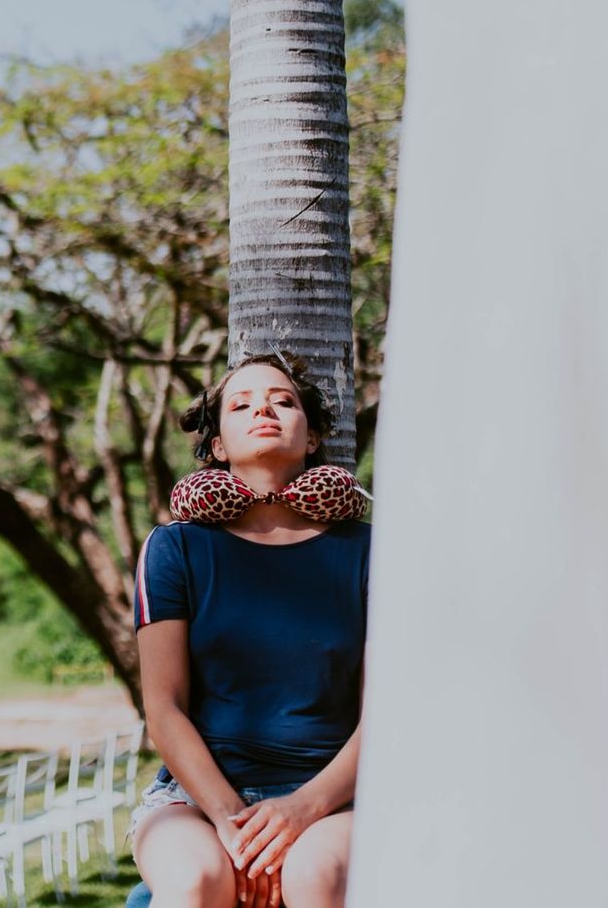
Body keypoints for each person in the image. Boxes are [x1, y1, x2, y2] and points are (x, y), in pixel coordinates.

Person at [127, 352, 370, 908]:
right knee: (195, 879)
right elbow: (163, 708)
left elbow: (384, 712)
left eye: (283, 401)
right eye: (241, 405)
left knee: (313, 875)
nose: (263, 409)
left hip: (335, 799)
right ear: (218, 446)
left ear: (311, 438)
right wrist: (234, 823)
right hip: (196, 800)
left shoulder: (369, 550)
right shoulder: (174, 547)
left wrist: (302, 808)